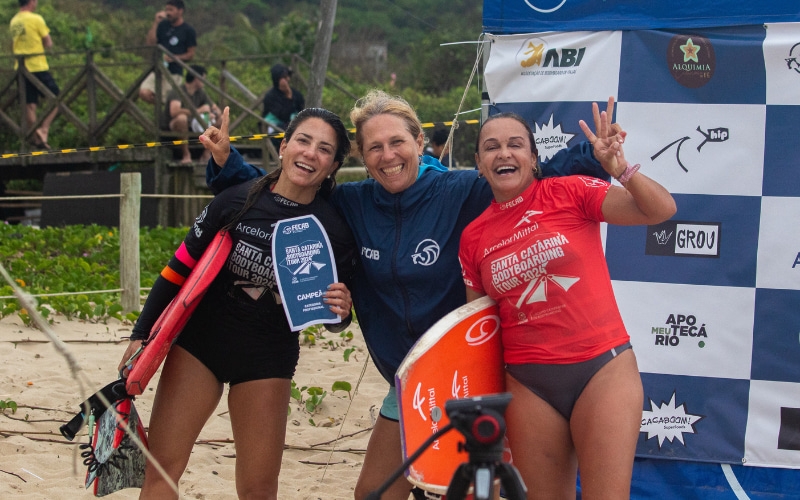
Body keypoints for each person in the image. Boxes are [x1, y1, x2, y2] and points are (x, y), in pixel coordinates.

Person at [205, 89, 612, 500]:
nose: (387, 155)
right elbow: (287, 193)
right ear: (362, 157)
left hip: (471, 374)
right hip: (410, 378)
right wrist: (228, 164)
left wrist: (591, 156)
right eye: (374, 147)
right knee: (374, 494)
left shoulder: (463, 191)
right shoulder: (352, 202)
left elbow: (528, 177)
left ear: (419, 141)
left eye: (397, 142)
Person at [118, 106, 357, 499]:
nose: (311, 153)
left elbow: (333, 317)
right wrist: (141, 334)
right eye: (303, 140)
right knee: (159, 472)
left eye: (324, 149)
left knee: (259, 490)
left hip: (267, 358)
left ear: (332, 166)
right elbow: (177, 268)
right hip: (200, 346)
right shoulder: (236, 200)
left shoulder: (333, 229)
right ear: (283, 147)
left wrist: (341, 310)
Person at [458, 101, 676, 499]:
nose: (504, 153)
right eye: (491, 147)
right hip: (527, 384)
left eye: (515, 144)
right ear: (478, 162)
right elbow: (480, 329)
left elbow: (661, 211)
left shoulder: (569, 191)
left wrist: (620, 170)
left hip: (601, 370)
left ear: (533, 157)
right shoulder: (473, 236)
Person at [10, 0, 59, 149]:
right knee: (57, 98)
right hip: (37, 66)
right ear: (31, 2)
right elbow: (48, 42)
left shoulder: (14, 21)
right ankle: (43, 130)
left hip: (21, 68)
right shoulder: (36, 19)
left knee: (29, 104)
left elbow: (14, 45)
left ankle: (38, 139)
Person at [139, 0, 196, 104]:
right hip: (157, 69)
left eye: (171, 10)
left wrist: (175, 57)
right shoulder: (162, 26)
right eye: (166, 10)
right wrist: (156, 23)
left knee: (169, 100)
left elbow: (190, 54)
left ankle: (168, 112)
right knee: (144, 92)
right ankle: (165, 110)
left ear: (180, 11)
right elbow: (150, 43)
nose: (168, 13)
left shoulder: (188, 30)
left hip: (174, 72)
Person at [164, 64, 220, 163]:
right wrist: (198, 111)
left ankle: (207, 153)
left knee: (222, 119)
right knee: (182, 118)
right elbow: (174, 111)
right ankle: (186, 154)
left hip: (197, 124)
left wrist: (213, 113)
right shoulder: (178, 91)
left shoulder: (201, 92)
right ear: (196, 78)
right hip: (176, 125)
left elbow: (217, 109)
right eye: (203, 78)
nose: (204, 81)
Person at [262, 63, 304, 150]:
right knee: (286, 130)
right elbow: (283, 116)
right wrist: (288, 97)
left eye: (287, 76)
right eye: (284, 77)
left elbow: (302, 110)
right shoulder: (271, 96)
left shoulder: (296, 94)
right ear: (277, 79)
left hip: (293, 125)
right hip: (275, 128)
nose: (287, 79)